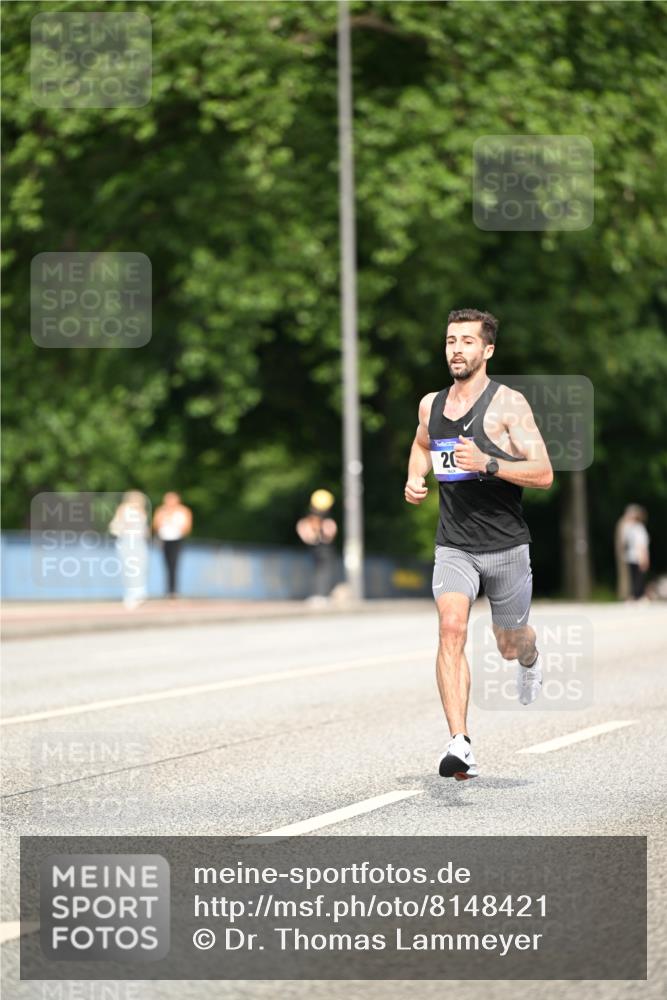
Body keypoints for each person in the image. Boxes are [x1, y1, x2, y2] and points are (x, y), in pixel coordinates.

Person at [404, 308, 553, 780]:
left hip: (506, 545)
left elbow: (544, 473)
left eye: (467, 341)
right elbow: (423, 444)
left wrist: (488, 462)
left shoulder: (509, 405)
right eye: (451, 340)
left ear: (487, 350)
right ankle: (459, 743)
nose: (456, 349)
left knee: (509, 644)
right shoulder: (431, 404)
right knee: (451, 629)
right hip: (455, 544)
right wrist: (414, 476)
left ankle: (530, 658)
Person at [109, 491, 150, 610]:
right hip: (127, 541)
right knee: (130, 568)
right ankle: (132, 595)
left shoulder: (142, 511)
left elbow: (144, 529)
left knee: (140, 567)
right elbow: (115, 526)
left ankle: (139, 593)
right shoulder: (123, 509)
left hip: (139, 542)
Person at [296, 490, 338, 605]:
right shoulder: (324, 520)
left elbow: (306, 534)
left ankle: (319, 595)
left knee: (319, 571)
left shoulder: (311, 519)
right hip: (323, 549)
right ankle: (322, 595)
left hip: (317, 548)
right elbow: (330, 534)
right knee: (324, 571)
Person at [152, 492, 193, 598]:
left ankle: (173, 590)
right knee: (166, 564)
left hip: (177, 539)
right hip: (165, 539)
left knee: (174, 564)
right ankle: (167, 590)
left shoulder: (183, 511)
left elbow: (187, 526)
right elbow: (155, 524)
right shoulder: (161, 510)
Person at [619, 504, 650, 601]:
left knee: (634, 577)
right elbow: (641, 545)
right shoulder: (639, 528)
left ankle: (634, 596)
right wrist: (644, 558)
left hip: (630, 556)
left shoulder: (628, 528)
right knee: (639, 578)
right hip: (638, 556)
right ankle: (638, 596)